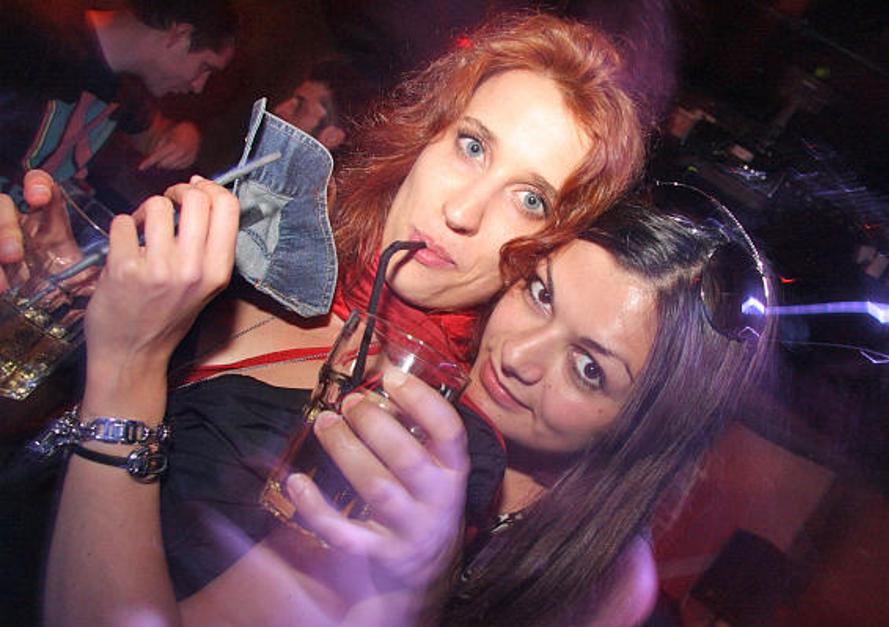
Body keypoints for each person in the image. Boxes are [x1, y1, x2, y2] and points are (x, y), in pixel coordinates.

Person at [20, 11, 650, 624]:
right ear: (425, 136)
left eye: (531, 200)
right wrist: (61, 293)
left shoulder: (428, 445)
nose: (462, 211)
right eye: (472, 146)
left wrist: (127, 367)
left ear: (551, 246)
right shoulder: (274, 253)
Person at [289, 195, 775, 625]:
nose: (516, 357)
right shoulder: (407, 373)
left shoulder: (608, 582)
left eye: (588, 368)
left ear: (643, 430)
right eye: (541, 295)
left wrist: (426, 590)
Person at [0, 0, 236, 196]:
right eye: (205, 67)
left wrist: (185, 134)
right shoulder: (26, 30)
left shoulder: (127, 90)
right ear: (180, 35)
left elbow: (156, 137)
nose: (198, 87)